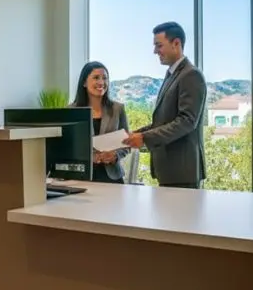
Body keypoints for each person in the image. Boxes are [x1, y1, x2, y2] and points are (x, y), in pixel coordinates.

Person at [123, 21, 207, 189]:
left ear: (176, 43)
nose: (155, 51)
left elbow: (186, 121)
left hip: (182, 173)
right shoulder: (172, 75)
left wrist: (144, 138)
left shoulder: (191, 75)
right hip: (170, 172)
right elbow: (162, 122)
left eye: (159, 45)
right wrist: (135, 135)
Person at [71, 61, 130, 184]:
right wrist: (91, 157)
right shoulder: (71, 111)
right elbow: (68, 147)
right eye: (96, 78)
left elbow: (127, 144)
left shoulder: (117, 109)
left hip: (112, 177)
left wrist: (115, 155)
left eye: (105, 78)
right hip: (81, 177)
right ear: (84, 83)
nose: (101, 82)